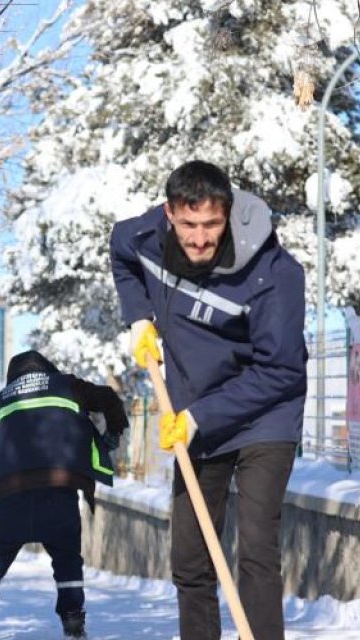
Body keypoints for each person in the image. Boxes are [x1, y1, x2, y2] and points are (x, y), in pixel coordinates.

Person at [110, 160, 308, 640]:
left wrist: (200, 416)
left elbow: (281, 370)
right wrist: (139, 318)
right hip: (195, 407)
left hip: (265, 415)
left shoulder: (274, 274)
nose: (199, 239)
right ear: (169, 214)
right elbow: (120, 250)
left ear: (228, 213)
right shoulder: (145, 237)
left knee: (256, 548)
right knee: (191, 557)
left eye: (212, 224)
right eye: (189, 225)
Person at [0, 350, 127, 640]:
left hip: (11, 494)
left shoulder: (0, 400)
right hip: (59, 491)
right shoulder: (67, 385)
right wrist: (114, 433)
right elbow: (109, 398)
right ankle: (73, 624)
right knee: (67, 560)